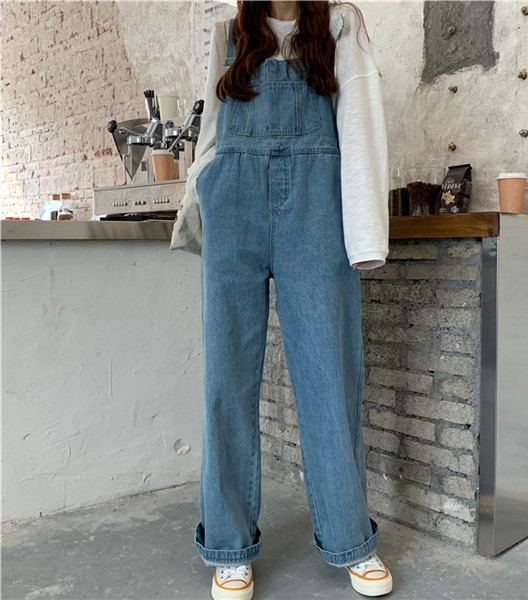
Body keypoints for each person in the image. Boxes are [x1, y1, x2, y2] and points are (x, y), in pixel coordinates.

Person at [187, 1, 392, 598]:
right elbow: (211, 126)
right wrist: (199, 195)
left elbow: (360, 124)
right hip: (233, 201)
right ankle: (228, 544)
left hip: (315, 202)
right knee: (226, 377)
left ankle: (351, 537)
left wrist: (366, 234)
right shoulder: (227, 29)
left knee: (331, 376)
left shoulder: (338, 24)